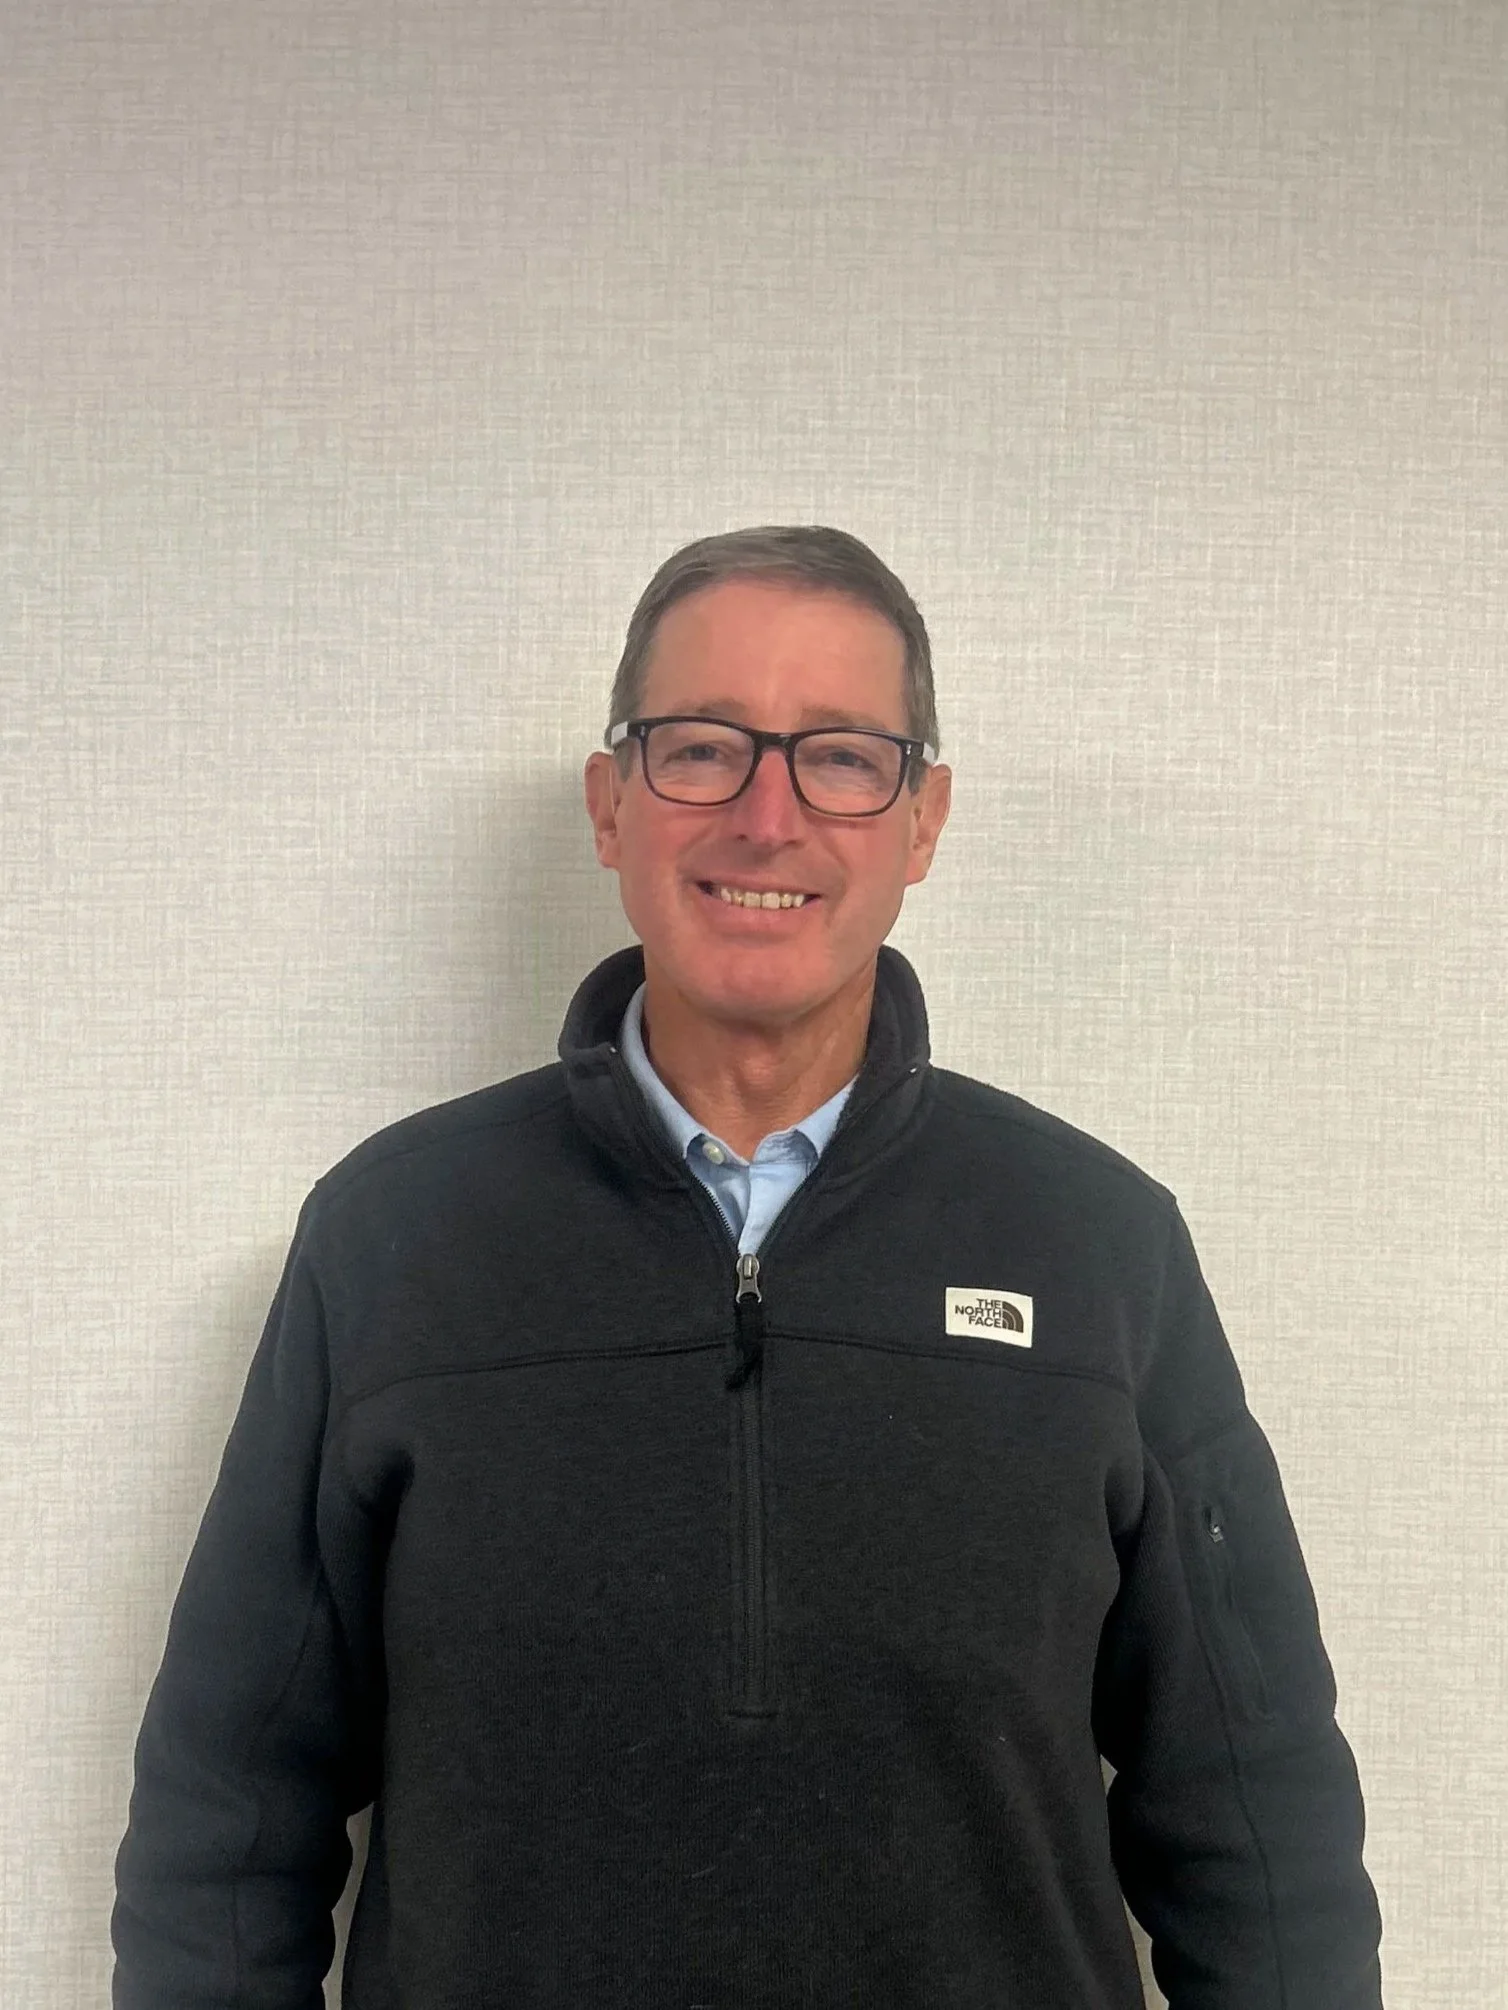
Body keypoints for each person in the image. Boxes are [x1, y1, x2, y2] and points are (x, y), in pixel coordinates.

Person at [113, 524, 1384, 2008]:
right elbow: (224, 1829)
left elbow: (1261, 1832)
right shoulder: (391, 1239)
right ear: (611, 803)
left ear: (922, 821)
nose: (766, 817)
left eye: (841, 756)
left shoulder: (1102, 1246)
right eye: (703, 748)